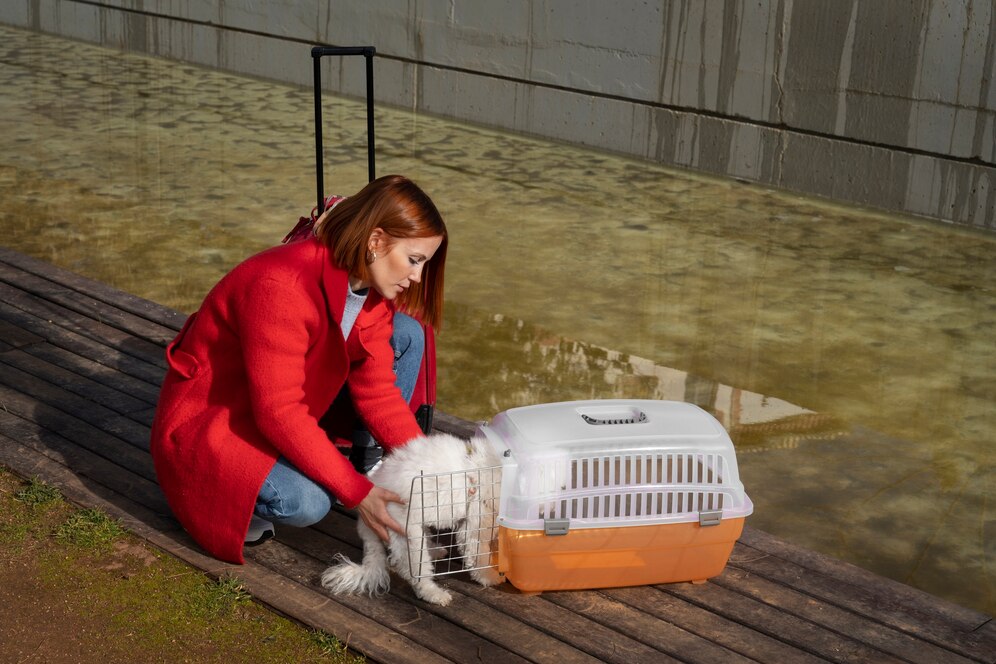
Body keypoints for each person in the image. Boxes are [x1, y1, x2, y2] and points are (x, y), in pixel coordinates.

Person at [149, 174, 447, 564]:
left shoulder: (370, 291)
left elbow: (378, 393)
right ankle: (204, 490)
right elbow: (279, 413)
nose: (417, 277)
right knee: (306, 502)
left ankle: (347, 463)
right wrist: (356, 492)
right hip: (216, 421)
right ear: (375, 241)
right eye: (414, 260)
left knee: (407, 334)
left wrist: (430, 468)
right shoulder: (282, 285)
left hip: (272, 408)